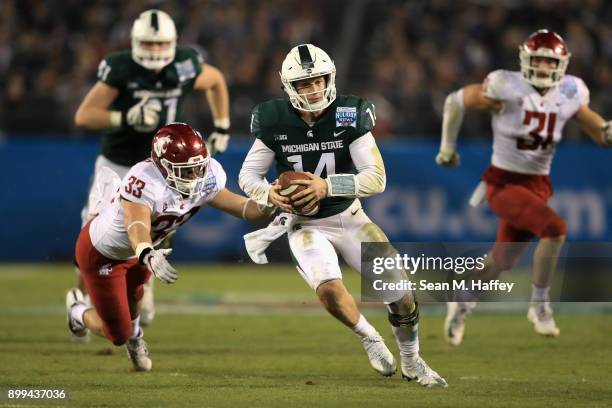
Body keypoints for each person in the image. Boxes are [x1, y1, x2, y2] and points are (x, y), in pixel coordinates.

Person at [239, 44, 447, 387]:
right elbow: (248, 176)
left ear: (330, 77)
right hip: (305, 226)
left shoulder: (349, 113)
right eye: (305, 84)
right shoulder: (273, 119)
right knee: (329, 290)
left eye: (319, 80)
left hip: (350, 217)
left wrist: (326, 186)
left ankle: (412, 360)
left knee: (399, 292)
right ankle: (369, 337)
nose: (314, 89)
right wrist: (269, 193)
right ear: (289, 87)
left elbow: (376, 177)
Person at [436, 29, 611, 345]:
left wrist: (606, 131)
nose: (544, 68)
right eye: (538, 61)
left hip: (538, 185)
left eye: (549, 62)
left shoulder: (571, 90)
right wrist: (447, 148)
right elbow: (455, 101)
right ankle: (540, 306)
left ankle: (461, 299)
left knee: (502, 261)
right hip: (504, 183)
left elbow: (596, 130)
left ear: (561, 64)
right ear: (526, 60)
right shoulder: (505, 84)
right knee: (555, 229)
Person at [66, 123, 271, 371]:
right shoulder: (143, 179)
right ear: (162, 166)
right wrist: (147, 253)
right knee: (117, 333)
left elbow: (243, 208)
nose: (195, 176)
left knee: (135, 304)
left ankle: (136, 337)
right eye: (186, 171)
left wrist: (271, 203)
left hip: (144, 252)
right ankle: (76, 310)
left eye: (198, 168)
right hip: (103, 253)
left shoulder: (208, 176)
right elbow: (136, 225)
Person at [73, 9, 231, 328]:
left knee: (158, 230)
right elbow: (85, 115)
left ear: (173, 43)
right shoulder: (121, 68)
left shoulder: (186, 64)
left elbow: (215, 80)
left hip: (164, 168)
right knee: (95, 236)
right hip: (120, 162)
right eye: (148, 43)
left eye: (161, 45)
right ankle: (79, 300)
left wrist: (223, 124)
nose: (155, 51)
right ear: (134, 42)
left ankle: (142, 291)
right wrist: (124, 117)